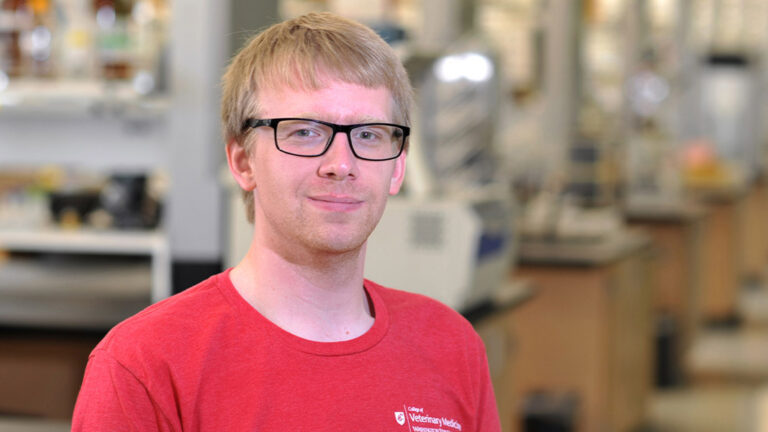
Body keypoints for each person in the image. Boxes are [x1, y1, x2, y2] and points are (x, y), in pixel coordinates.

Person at [72, 12, 501, 431]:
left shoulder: (451, 345)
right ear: (243, 161)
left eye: (369, 134)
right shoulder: (144, 366)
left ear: (398, 167)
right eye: (305, 132)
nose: (341, 164)